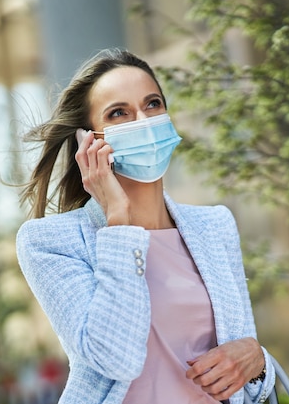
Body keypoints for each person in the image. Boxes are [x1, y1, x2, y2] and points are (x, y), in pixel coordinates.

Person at [16, 48, 275, 404]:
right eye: (119, 112)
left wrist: (257, 359)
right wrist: (118, 223)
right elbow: (115, 358)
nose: (143, 120)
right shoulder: (49, 241)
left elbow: (251, 383)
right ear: (88, 141)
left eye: (153, 104)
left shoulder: (214, 226)